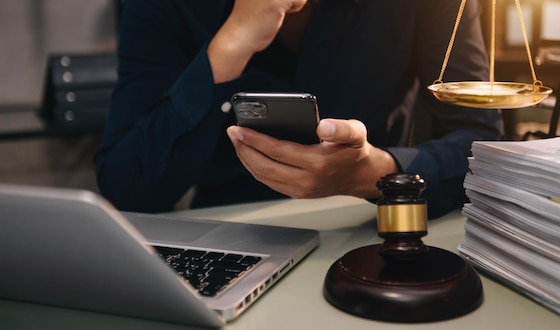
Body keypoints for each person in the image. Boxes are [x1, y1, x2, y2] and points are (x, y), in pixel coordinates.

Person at [95, 0, 503, 219]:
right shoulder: (165, 7)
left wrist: (375, 173)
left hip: (372, 227)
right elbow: (128, 187)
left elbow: (483, 145)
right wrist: (230, 46)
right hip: (229, 234)